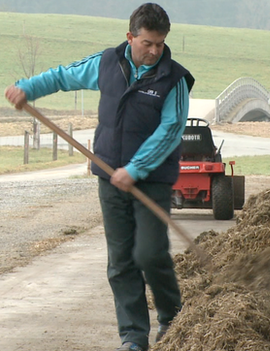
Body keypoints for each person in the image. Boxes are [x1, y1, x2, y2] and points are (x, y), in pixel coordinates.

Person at [4, 3, 194, 351]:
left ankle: (171, 317)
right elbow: (63, 76)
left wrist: (134, 169)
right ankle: (133, 336)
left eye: (160, 44)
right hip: (109, 177)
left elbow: (171, 131)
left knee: (150, 253)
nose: (154, 51)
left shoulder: (175, 79)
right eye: (147, 43)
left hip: (151, 182)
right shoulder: (107, 62)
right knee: (120, 261)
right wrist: (27, 88)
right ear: (130, 37)